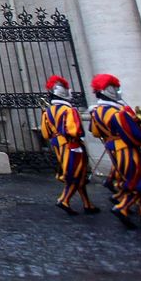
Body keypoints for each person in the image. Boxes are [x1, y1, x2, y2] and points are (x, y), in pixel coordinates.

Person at [88, 73, 141, 229]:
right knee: (137, 180)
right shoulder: (118, 113)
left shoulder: (97, 112)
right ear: (108, 90)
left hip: (113, 150)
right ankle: (123, 208)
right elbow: (133, 134)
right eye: (114, 87)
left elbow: (95, 132)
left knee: (133, 178)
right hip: (127, 150)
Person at [39, 74, 99, 215]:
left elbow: (45, 133)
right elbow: (75, 130)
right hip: (72, 146)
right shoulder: (69, 110)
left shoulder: (47, 112)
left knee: (78, 174)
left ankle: (87, 203)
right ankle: (64, 200)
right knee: (75, 174)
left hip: (58, 147)